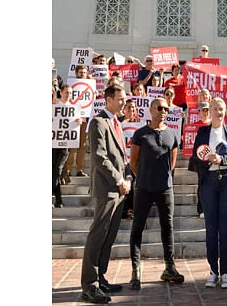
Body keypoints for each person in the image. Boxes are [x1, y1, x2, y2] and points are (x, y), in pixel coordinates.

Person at [79, 81, 131, 304]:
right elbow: (100, 157)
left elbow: (122, 157)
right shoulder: (98, 123)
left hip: (119, 189)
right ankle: (89, 285)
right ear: (108, 99)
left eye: (124, 99)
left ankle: (101, 278)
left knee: (109, 237)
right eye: (120, 99)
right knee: (98, 235)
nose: (123, 102)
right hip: (107, 188)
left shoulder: (116, 123)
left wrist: (128, 178)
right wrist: (119, 180)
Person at [128, 97, 185, 290]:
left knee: (167, 227)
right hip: (144, 188)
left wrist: (163, 178)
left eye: (166, 109)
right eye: (160, 108)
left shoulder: (172, 133)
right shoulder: (140, 134)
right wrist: (143, 177)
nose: (163, 112)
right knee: (137, 227)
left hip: (165, 189)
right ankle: (136, 271)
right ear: (151, 110)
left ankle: (170, 267)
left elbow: (172, 162)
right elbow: (133, 162)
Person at [192, 97, 227, 290]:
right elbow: (195, 157)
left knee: (225, 229)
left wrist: (222, 159)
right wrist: (208, 159)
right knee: (211, 229)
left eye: (221, 109)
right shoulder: (202, 132)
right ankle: (213, 271)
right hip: (208, 183)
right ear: (209, 111)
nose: (219, 112)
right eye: (215, 109)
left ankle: (225, 272)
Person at [63, 64, 92, 181]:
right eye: (81, 72)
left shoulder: (90, 86)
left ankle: (80, 170)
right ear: (76, 73)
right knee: (71, 145)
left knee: (82, 145)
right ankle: (68, 170)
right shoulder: (71, 85)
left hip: (84, 119)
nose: (83, 74)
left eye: (84, 72)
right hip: (72, 119)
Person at [120, 99, 141, 221]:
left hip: (135, 160)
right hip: (123, 160)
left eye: (133, 107)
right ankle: (125, 209)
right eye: (129, 107)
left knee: (134, 184)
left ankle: (131, 209)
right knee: (126, 183)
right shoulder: (119, 123)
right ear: (124, 109)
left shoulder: (140, 124)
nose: (131, 110)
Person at [52, 84, 71, 208]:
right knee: (54, 171)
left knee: (57, 170)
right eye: (67, 92)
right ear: (61, 93)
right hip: (52, 144)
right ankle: (58, 200)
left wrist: (78, 122)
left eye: (70, 93)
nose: (68, 95)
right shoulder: (54, 107)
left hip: (64, 146)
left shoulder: (74, 109)